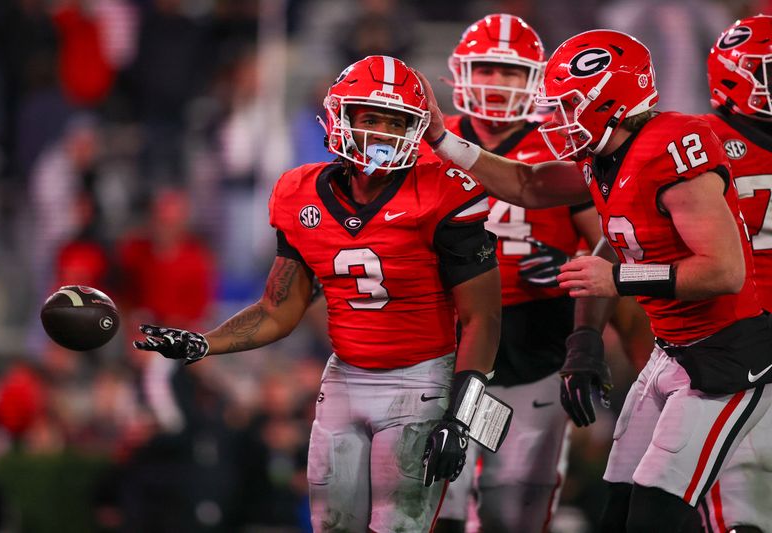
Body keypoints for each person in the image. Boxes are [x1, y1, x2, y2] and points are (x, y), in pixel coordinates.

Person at [419, 29, 772, 532]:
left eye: (568, 106)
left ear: (610, 102)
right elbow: (528, 184)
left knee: (657, 509)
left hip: (726, 356)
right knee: (619, 505)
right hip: (673, 350)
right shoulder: (603, 155)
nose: (556, 120)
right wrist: (440, 139)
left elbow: (724, 270)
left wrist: (619, 278)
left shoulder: (671, 146)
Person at [134, 55, 502, 533]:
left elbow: (484, 320)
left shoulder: (443, 191)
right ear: (341, 117)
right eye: (371, 118)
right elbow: (278, 309)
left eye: (397, 122)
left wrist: (463, 415)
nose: (382, 134)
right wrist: (204, 343)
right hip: (344, 378)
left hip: (420, 382)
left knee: (399, 528)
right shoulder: (299, 192)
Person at [424, 14, 602, 533]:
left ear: (535, 79)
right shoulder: (430, 142)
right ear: (461, 72)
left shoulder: (560, 142)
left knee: (515, 506)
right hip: (447, 348)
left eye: (510, 71)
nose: (497, 83)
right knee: (441, 500)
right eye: (487, 68)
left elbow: (609, 240)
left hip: (534, 350)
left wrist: (572, 268)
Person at [697, 15, 772, 533]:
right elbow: (620, 239)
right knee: (740, 509)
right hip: (734, 346)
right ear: (736, 76)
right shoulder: (698, 141)